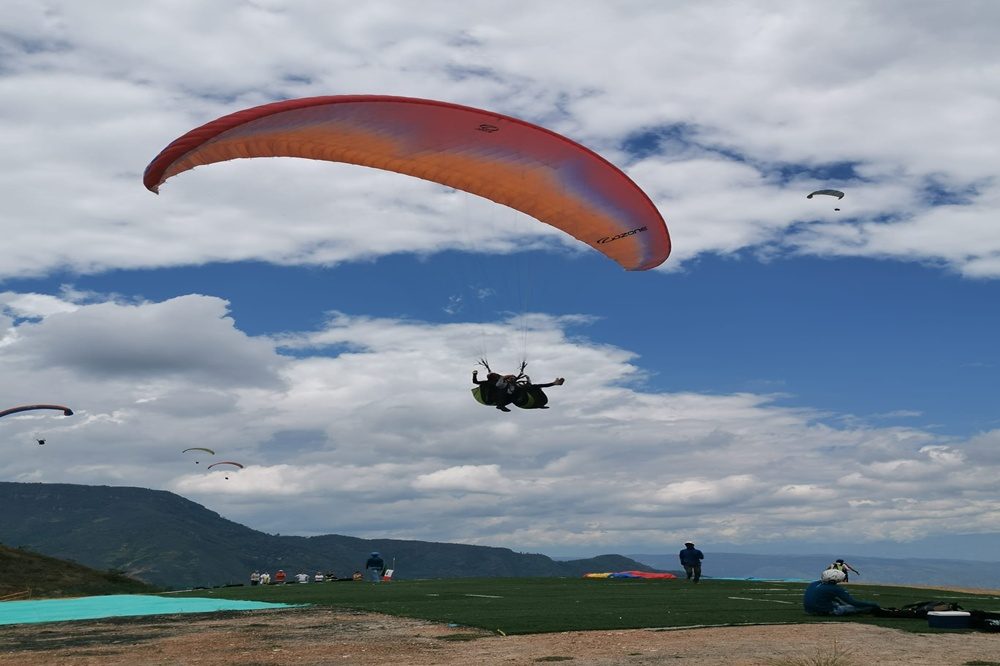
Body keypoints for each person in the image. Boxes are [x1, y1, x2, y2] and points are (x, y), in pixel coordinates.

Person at [803, 569, 880, 615]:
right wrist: (873, 604)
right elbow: (853, 602)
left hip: (809, 610)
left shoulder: (813, 584)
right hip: (826, 611)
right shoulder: (835, 588)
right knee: (861, 607)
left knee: (840, 604)